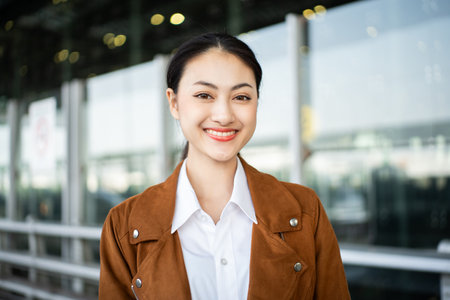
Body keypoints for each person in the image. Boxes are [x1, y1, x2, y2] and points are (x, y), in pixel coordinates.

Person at [99, 32, 350, 300]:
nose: (224, 115)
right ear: (174, 102)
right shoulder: (124, 225)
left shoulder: (305, 211)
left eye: (241, 97)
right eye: (204, 95)